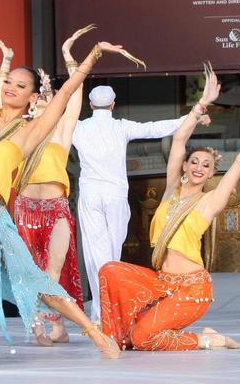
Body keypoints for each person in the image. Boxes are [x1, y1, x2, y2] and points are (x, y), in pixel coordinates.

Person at [0, 0, 131, 360]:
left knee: (33, 278)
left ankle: (93, 331)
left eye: (21, 85)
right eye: (9, 82)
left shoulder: (29, 134)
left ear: (31, 97)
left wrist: (92, 56)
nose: (11, 87)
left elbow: (63, 96)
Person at [100, 71, 240, 350]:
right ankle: (114, 338)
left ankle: (208, 339)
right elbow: (179, 140)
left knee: (143, 337)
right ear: (186, 166)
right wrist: (202, 103)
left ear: (212, 172)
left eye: (206, 166)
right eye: (195, 162)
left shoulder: (209, 201)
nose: (199, 168)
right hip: (161, 283)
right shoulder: (170, 191)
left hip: (191, 289)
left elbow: (239, 163)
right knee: (110, 270)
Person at [72, 81, 191, 317]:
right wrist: (190, 118)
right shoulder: (121, 127)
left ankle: (100, 310)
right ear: (113, 105)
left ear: (90, 105)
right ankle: (108, 308)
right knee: (112, 252)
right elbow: (155, 128)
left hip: (90, 193)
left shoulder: (77, 128)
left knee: (96, 253)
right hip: (115, 194)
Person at [13, 26, 95, 342]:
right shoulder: (19, 133)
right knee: (30, 270)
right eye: (40, 99)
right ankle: (43, 323)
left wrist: (69, 58)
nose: (46, 102)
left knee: (53, 269)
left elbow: (74, 94)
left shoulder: (61, 132)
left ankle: (52, 321)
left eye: (51, 98)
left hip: (55, 208)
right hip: (25, 208)